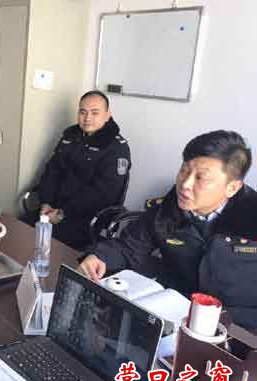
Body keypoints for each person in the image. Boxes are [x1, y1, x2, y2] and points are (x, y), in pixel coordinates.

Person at [80, 130, 257, 332]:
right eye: (184, 170)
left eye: (201, 178)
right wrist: (99, 256)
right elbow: (129, 246)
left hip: (238, 328)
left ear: (232, 188)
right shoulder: (171, 206)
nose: (185, 184)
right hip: (176, 314)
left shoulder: (251, 216)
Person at [35, 90, 131, 249]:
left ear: (107, 115)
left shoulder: (116, 147)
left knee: (45, 244)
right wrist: (45, 202)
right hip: (53, 209)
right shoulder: (70, 136)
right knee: (21, 230)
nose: (87, 118)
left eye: (95, 113)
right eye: (83, 112)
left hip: (86, 218)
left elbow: (102, 193)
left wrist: (63, 213)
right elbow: (52, 171)